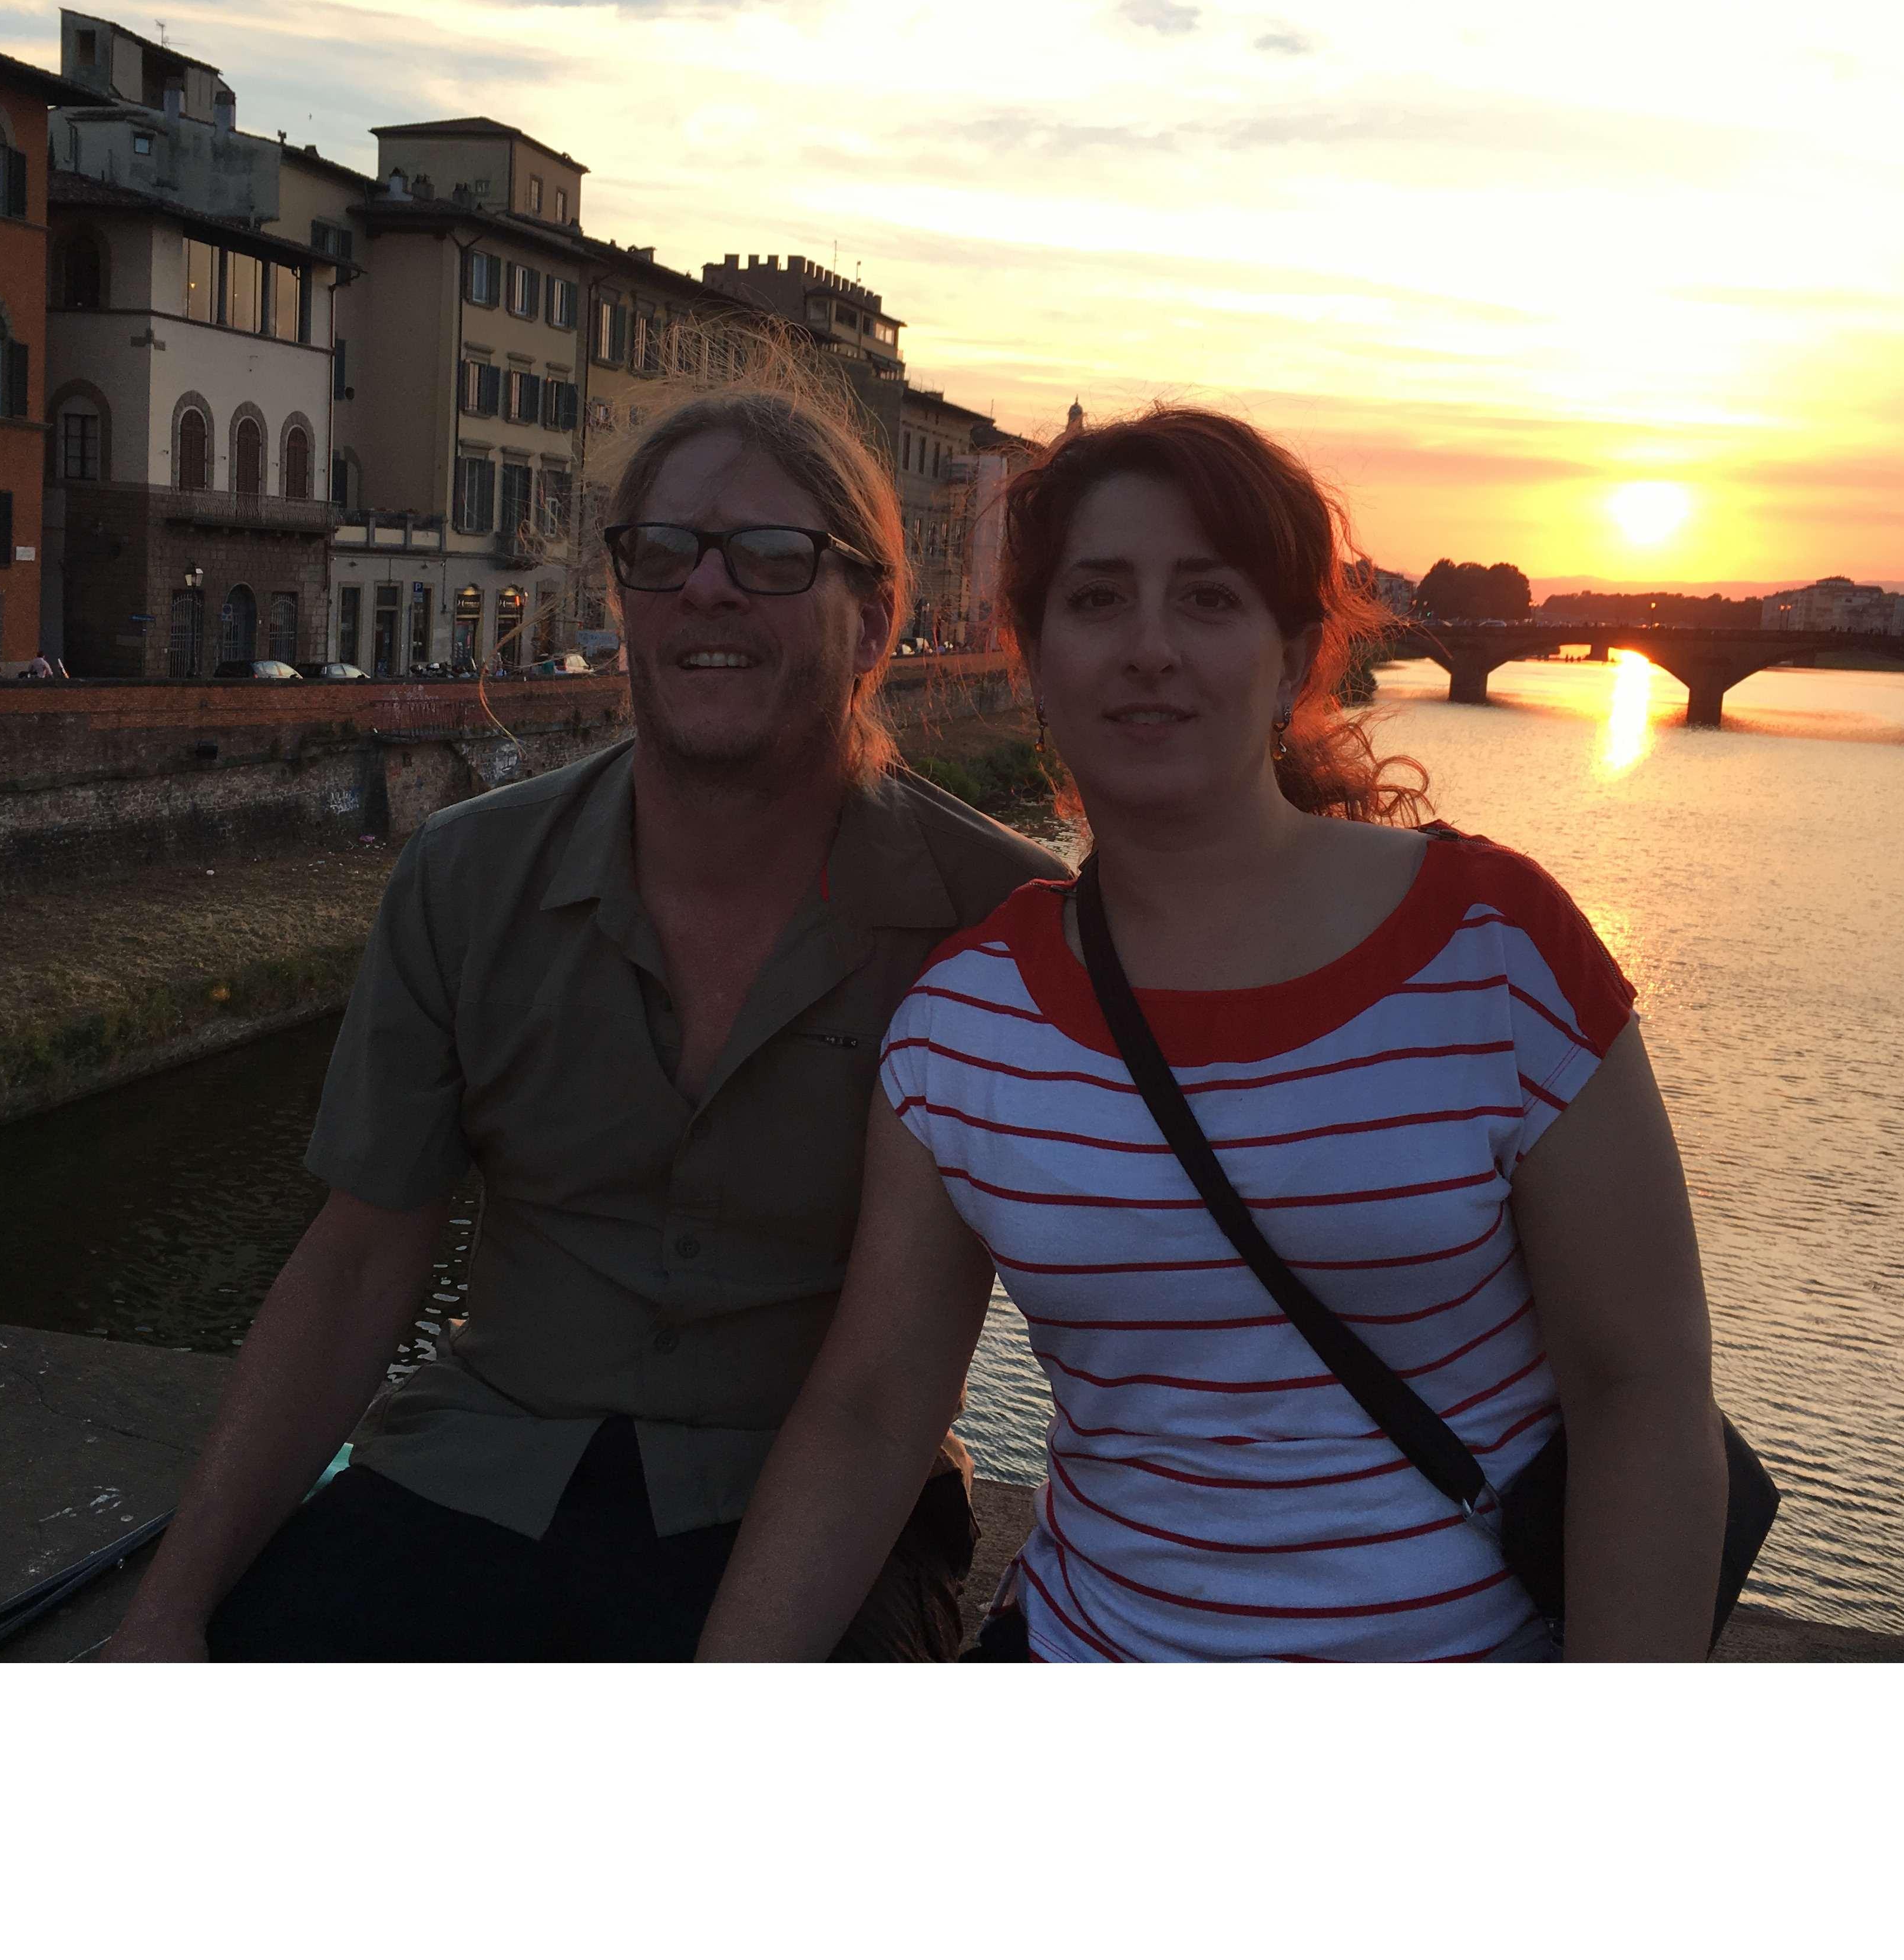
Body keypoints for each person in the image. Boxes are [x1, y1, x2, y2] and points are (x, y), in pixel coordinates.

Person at [699, 407, 1728, 1662]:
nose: (1148, 650)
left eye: (1207, 600)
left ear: (1296, 655)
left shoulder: (1498, 945)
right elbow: (872, 1409)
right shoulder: (963, 1027)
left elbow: (1645, 1392)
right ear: (1033, 656)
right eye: (1096, 601)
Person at [105, 381, 1063, 1661]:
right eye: (661, 553)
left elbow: (918, 1377)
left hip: (809, 1498)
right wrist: (168, 1614)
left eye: (775, 559)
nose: (705, 591)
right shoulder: (464, 877)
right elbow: (357, 1263)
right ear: (622, 600)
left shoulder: (994, 920)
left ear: (876, 620)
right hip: (481, 1462)